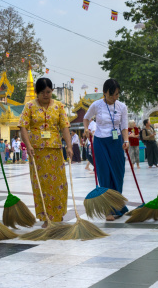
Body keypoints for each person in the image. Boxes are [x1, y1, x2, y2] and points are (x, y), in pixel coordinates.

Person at [19, 78, 72, 227]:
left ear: (52, 91)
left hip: (55, 150)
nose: (46, 95)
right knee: (41, 184)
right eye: (42, 92)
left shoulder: (59, 106)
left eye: (48, 92)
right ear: (36, 93)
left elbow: (65, 127)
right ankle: (46, 217)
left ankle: (58, 214)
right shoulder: (29, 106)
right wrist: (28, 145)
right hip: (37, 152)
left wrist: (69, 146)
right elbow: (23, 127)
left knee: (58, 183)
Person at [84, 78, 129, 221]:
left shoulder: (122, 107)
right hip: (100, 142)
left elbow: (124, 126)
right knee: (104, 174)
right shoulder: (96, 105)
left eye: (117, 94)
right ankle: (108, 210)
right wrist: (86, 129)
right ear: (104, 93)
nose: (114, 98)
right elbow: (86, 118)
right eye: (111, 95)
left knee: (118, 173)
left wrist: (126, 140)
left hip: (116, 143)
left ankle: (118, 205)